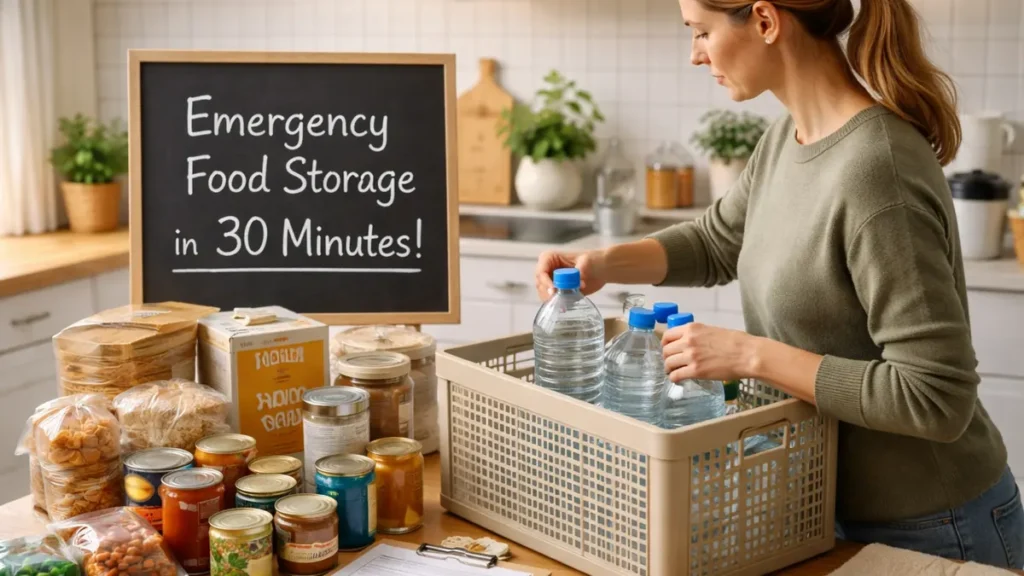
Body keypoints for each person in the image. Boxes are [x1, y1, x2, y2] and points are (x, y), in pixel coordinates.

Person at [534, 0, 1024, 568]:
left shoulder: (876, 170)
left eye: (701, 32)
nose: (695, 54)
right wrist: (603, 263)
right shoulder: (786, 140)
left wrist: (748, 355)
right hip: (824, 507)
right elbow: (719, 241)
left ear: (765, 21)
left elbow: (936, 397)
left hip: (933, 524)